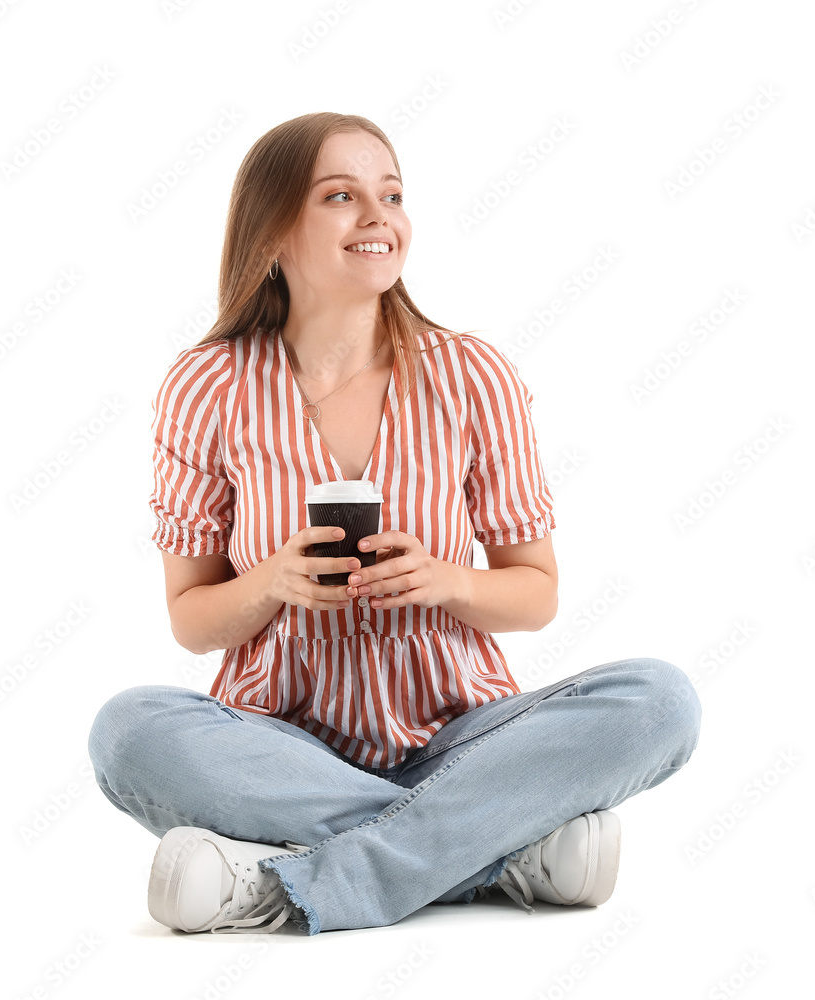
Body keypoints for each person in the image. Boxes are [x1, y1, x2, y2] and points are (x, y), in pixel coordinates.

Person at [88, 111, 701, 937]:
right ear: (272, 233)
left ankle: (284, 883)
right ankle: (502, 851)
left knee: (660, 701)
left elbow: (536, 593)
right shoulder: (209, 386)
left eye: (392, 194)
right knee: (127, 733)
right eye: (340, 196)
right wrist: (272, 582)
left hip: (462, 737)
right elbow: (191, 620)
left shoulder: (471, 374)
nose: (380, 216)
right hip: (279, 748)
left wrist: (446, 581)